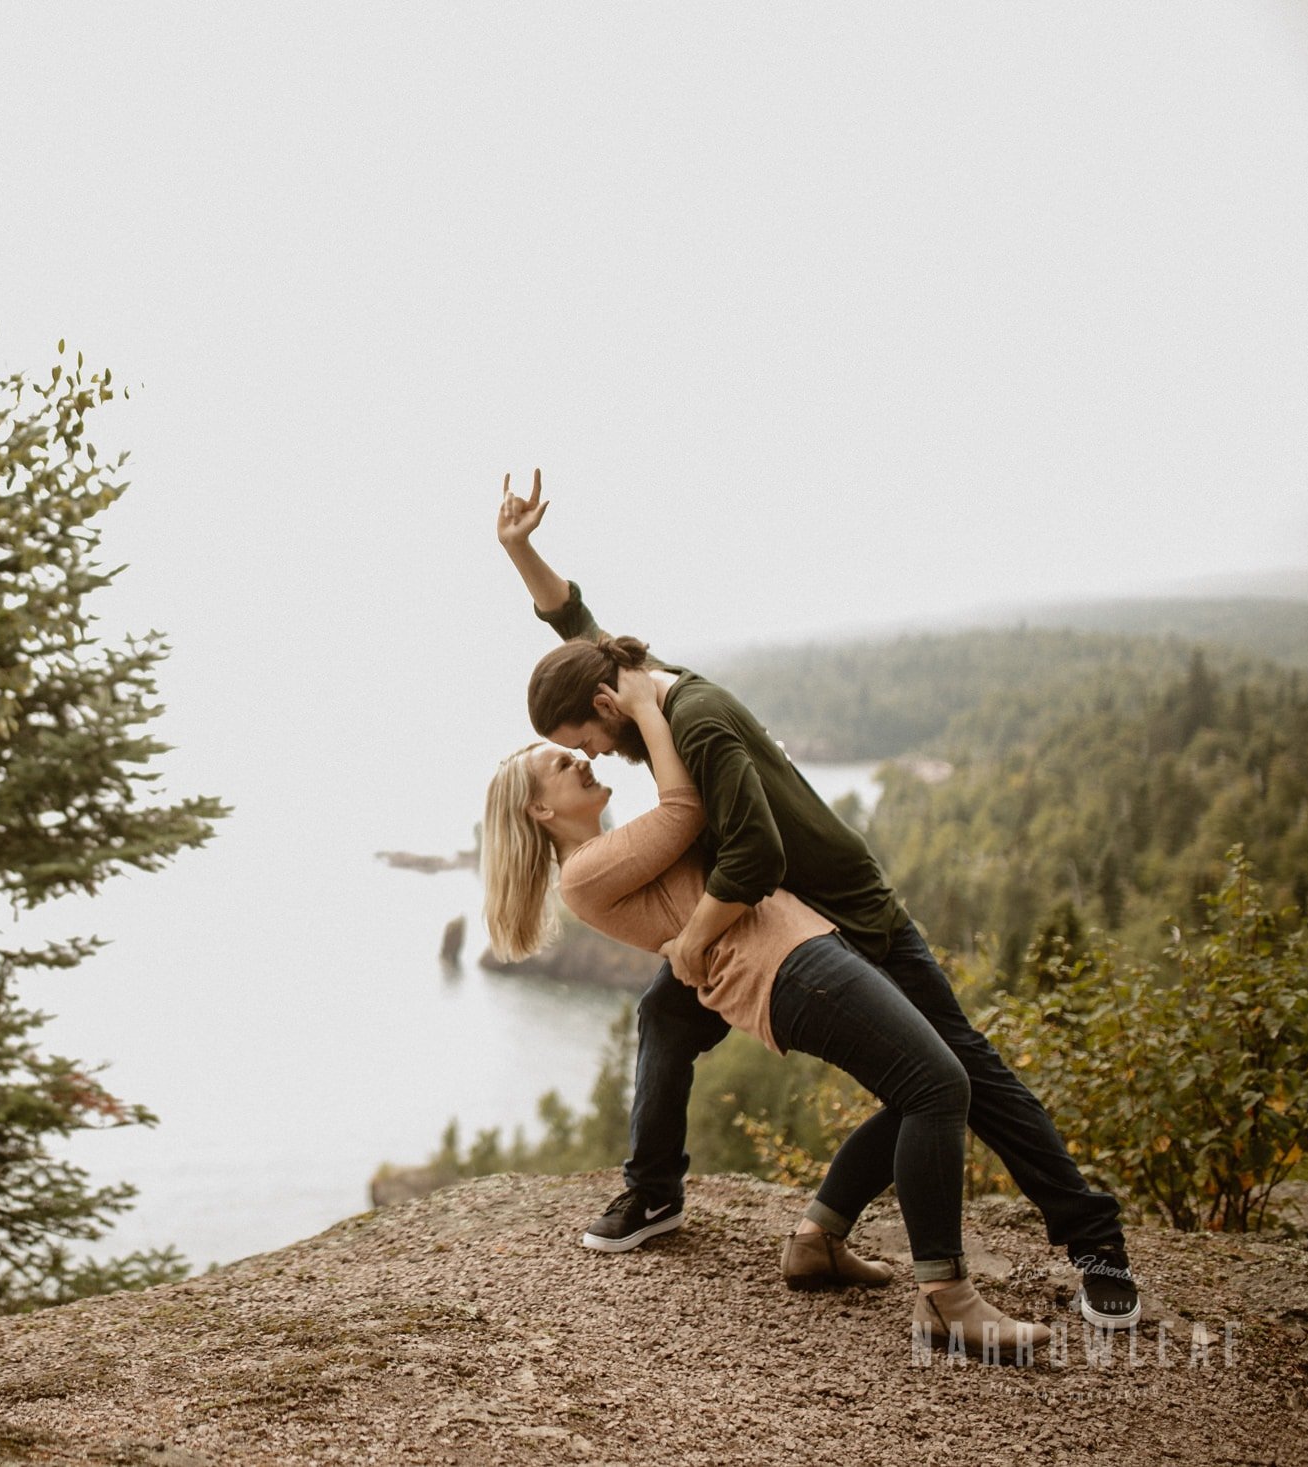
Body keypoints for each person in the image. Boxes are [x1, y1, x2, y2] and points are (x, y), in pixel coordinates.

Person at [494, 469, 1141, 1332]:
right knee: (665, 1019)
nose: (598, 761)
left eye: (585, 743)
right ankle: (655, 1196)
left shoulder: (693, 724)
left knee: (960, 1075)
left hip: (840, 912)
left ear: (608, 706)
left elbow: (753, 853)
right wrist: (520, 548)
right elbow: (575, 625)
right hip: (767, 920)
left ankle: (1093, 1240)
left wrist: (691, 941)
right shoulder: (639, 691)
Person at [484, 663, 1048, 1359]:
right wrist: (646, 706)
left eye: (575, 747)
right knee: (938, 1085)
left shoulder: (610, 847)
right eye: (562, 763)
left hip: (798, 951)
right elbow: (684, 808)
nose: (585, 758)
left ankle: (818, 1241)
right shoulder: (584, 872)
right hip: (784, 972)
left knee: (927, 1087)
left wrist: (616, 664)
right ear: (541, 812)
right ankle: (946, 1299)